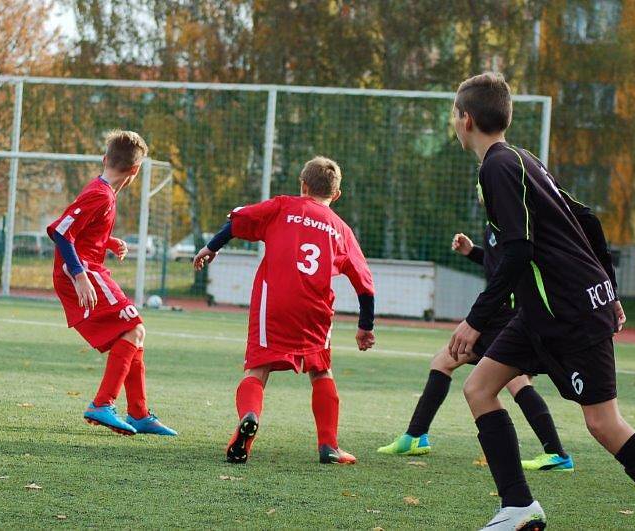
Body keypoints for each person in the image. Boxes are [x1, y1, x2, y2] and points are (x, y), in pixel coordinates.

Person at [447, 72, 635, 530]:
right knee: (478, 388)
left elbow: (518, 250)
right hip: (541, 311)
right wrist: (608, 287)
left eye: (455, 116)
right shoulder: (522, 158)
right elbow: (588, 219)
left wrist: (476, 320)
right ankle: (518, 507)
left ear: (466, 119)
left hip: (569, 310)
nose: (455, 123)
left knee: (603, 424)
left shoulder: (497, 166)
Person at [194, 156, 376, 465]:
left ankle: (250, 416)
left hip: (274, 302)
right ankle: (329, 446)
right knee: (320, 370)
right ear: (336, 194)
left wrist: (212, 247)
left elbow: (238, 222)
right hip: (316, 308)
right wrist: (365, 326)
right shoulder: (341, 229)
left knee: (258, 369)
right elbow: (364, 282)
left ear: (303, 186)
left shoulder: (282, 206)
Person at [378, 227, 574, 472]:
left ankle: (556, 453)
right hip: (501, 318)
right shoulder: (498, 221)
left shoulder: (512, 218)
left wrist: (481, 320)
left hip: (507, 318)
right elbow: (499, 264)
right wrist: (473, 252)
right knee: (445, 361)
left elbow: (515, 266)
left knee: (516, 382)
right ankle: (416, 435)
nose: (482, 190)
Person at [47, 130, 176, 437]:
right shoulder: (100, 194)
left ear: (105, 159)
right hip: (81, 272)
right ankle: (102, 404)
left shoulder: (104, 194)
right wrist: (79, 275)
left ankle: (139, 413)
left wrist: (106, 241)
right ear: (136, 170)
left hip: (87, 268)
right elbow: (62, 232)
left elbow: (82, 231)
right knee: (133, 328)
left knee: (135, 335)